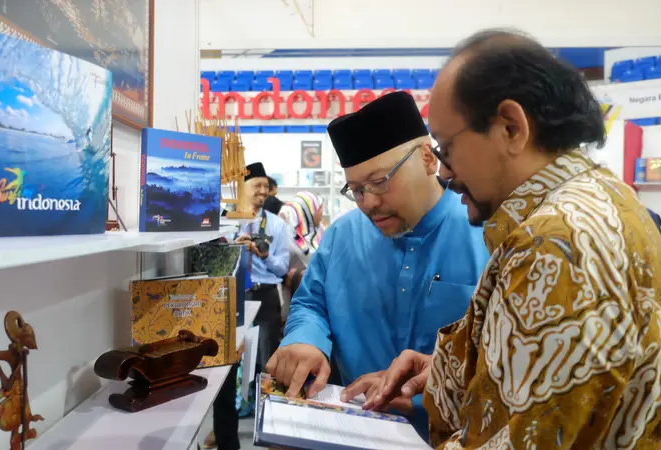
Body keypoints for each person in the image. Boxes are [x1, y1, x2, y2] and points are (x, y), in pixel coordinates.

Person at [368, 29, 661, 449]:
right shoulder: (601, 197)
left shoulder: (559, 242)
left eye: (446, 148)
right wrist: (454, 367)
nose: (443, 172)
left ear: (511, 127)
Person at [265, 91, 491, 439]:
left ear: (428, 159)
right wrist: (305, 339)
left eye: (380, 181)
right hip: (354, 429)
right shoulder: (343, 235)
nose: (368, 203)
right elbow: (312, 303)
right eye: (355, 189)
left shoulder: (484, 234)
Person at [207, 162, 290, 450]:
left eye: (267, 186)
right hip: (233, 296)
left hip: (266, 295)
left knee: (268, 365)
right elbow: (211, 261)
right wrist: (234, 248)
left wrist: (263, 254)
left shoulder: (277, 225)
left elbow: (282, 268)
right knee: (228, 367)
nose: (264, 191)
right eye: (258, 185)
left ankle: (271, 432)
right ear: (242, 186)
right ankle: (224, 436)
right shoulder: (225, 220)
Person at [278, 191, 326, 318]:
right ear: (309, 210)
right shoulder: (287, 232)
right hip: (291, 294)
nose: (322, 213)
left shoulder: (320, 230)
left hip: (317, 294)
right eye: (320, 208)